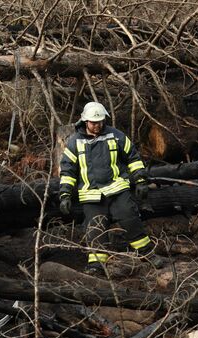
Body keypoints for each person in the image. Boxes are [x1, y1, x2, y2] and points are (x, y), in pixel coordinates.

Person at [59, 101, 164, 275]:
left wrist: (140, 181)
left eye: (100, 122)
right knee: (95, 229)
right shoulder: (74, 143)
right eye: (94, 122)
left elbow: (133, 157)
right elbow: (68, 171)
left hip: (117, 189)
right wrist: (65, 195)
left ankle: (147, 253)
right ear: (85, 121)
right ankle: (97, 265)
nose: (98, 126)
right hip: (91, 194)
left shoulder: (116, 135)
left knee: (130, 217)